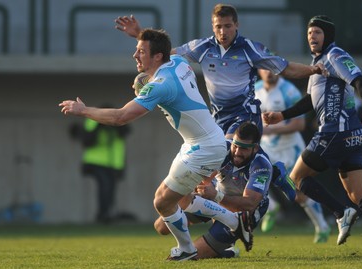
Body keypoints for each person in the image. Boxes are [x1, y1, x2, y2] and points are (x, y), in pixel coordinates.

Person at [59, 28, 252, 261]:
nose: (135, 55)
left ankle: (187, 250)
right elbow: (166, 51)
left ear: (157, 56)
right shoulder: (178, 62)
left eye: (141, 51)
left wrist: (83, 110)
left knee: (161, 201)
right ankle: (235, 221)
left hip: (205, 147)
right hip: (202, 142)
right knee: (180, 200)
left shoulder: (161, 85)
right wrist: (140, 37)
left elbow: (121, 117)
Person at [262, 15, 362, 253]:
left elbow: (358, 79)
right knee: (357, 192)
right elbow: (309, 101)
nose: (312, 36)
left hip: (335, 132)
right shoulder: (317, 64)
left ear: (327, 36)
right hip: (350, 136)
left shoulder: (335, 55)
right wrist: (283, 114)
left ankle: (341, 213)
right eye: (310, 33)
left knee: (297, 178)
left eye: (317, 32)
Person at [114, 3, 327, 140]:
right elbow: (164, 54)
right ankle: (275, 176)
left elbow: (287, 68)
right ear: (212, 26)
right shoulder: (203, 47)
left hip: (245, 114)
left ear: (236, 25)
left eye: (227, 26)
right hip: (218, 117)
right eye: (218, 27)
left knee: (228, 150)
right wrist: (139, 35)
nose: (222, 32)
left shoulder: (250, 49)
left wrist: (312, 69)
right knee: (223, 174)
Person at [154, 122, 272, 259]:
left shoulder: (262, 165)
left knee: (192, 256)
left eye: (244, 149)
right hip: (216, 198)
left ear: (255, 148)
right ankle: (226, 249)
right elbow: (203, 175)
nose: (238, 152)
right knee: (161, 226)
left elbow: (249, 204)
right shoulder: (222, 148)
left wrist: (216, 196)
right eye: (236, 146)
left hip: (243, 214)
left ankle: (226, 241)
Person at [255, 69, 330, 243]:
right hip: (266, 147)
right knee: (255, 177)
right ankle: (271, 207)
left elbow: (300, 123)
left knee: (297, 191)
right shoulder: (255, 89)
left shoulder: (289, 91)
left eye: (273, 68)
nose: (270, 72)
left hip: (290, 148)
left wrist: (271, 128)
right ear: (260, 71)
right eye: (265, 68)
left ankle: (322, 226)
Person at [69, 114, 132, 223]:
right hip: (96, 162)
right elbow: (87, 140)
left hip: (113, 164)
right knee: (105, 187)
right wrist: (99, 125)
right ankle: (102, 215)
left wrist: (114, 124)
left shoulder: (118, 121)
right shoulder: (92, 121)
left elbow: (125, 132)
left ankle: (107, 214)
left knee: (110, 189)